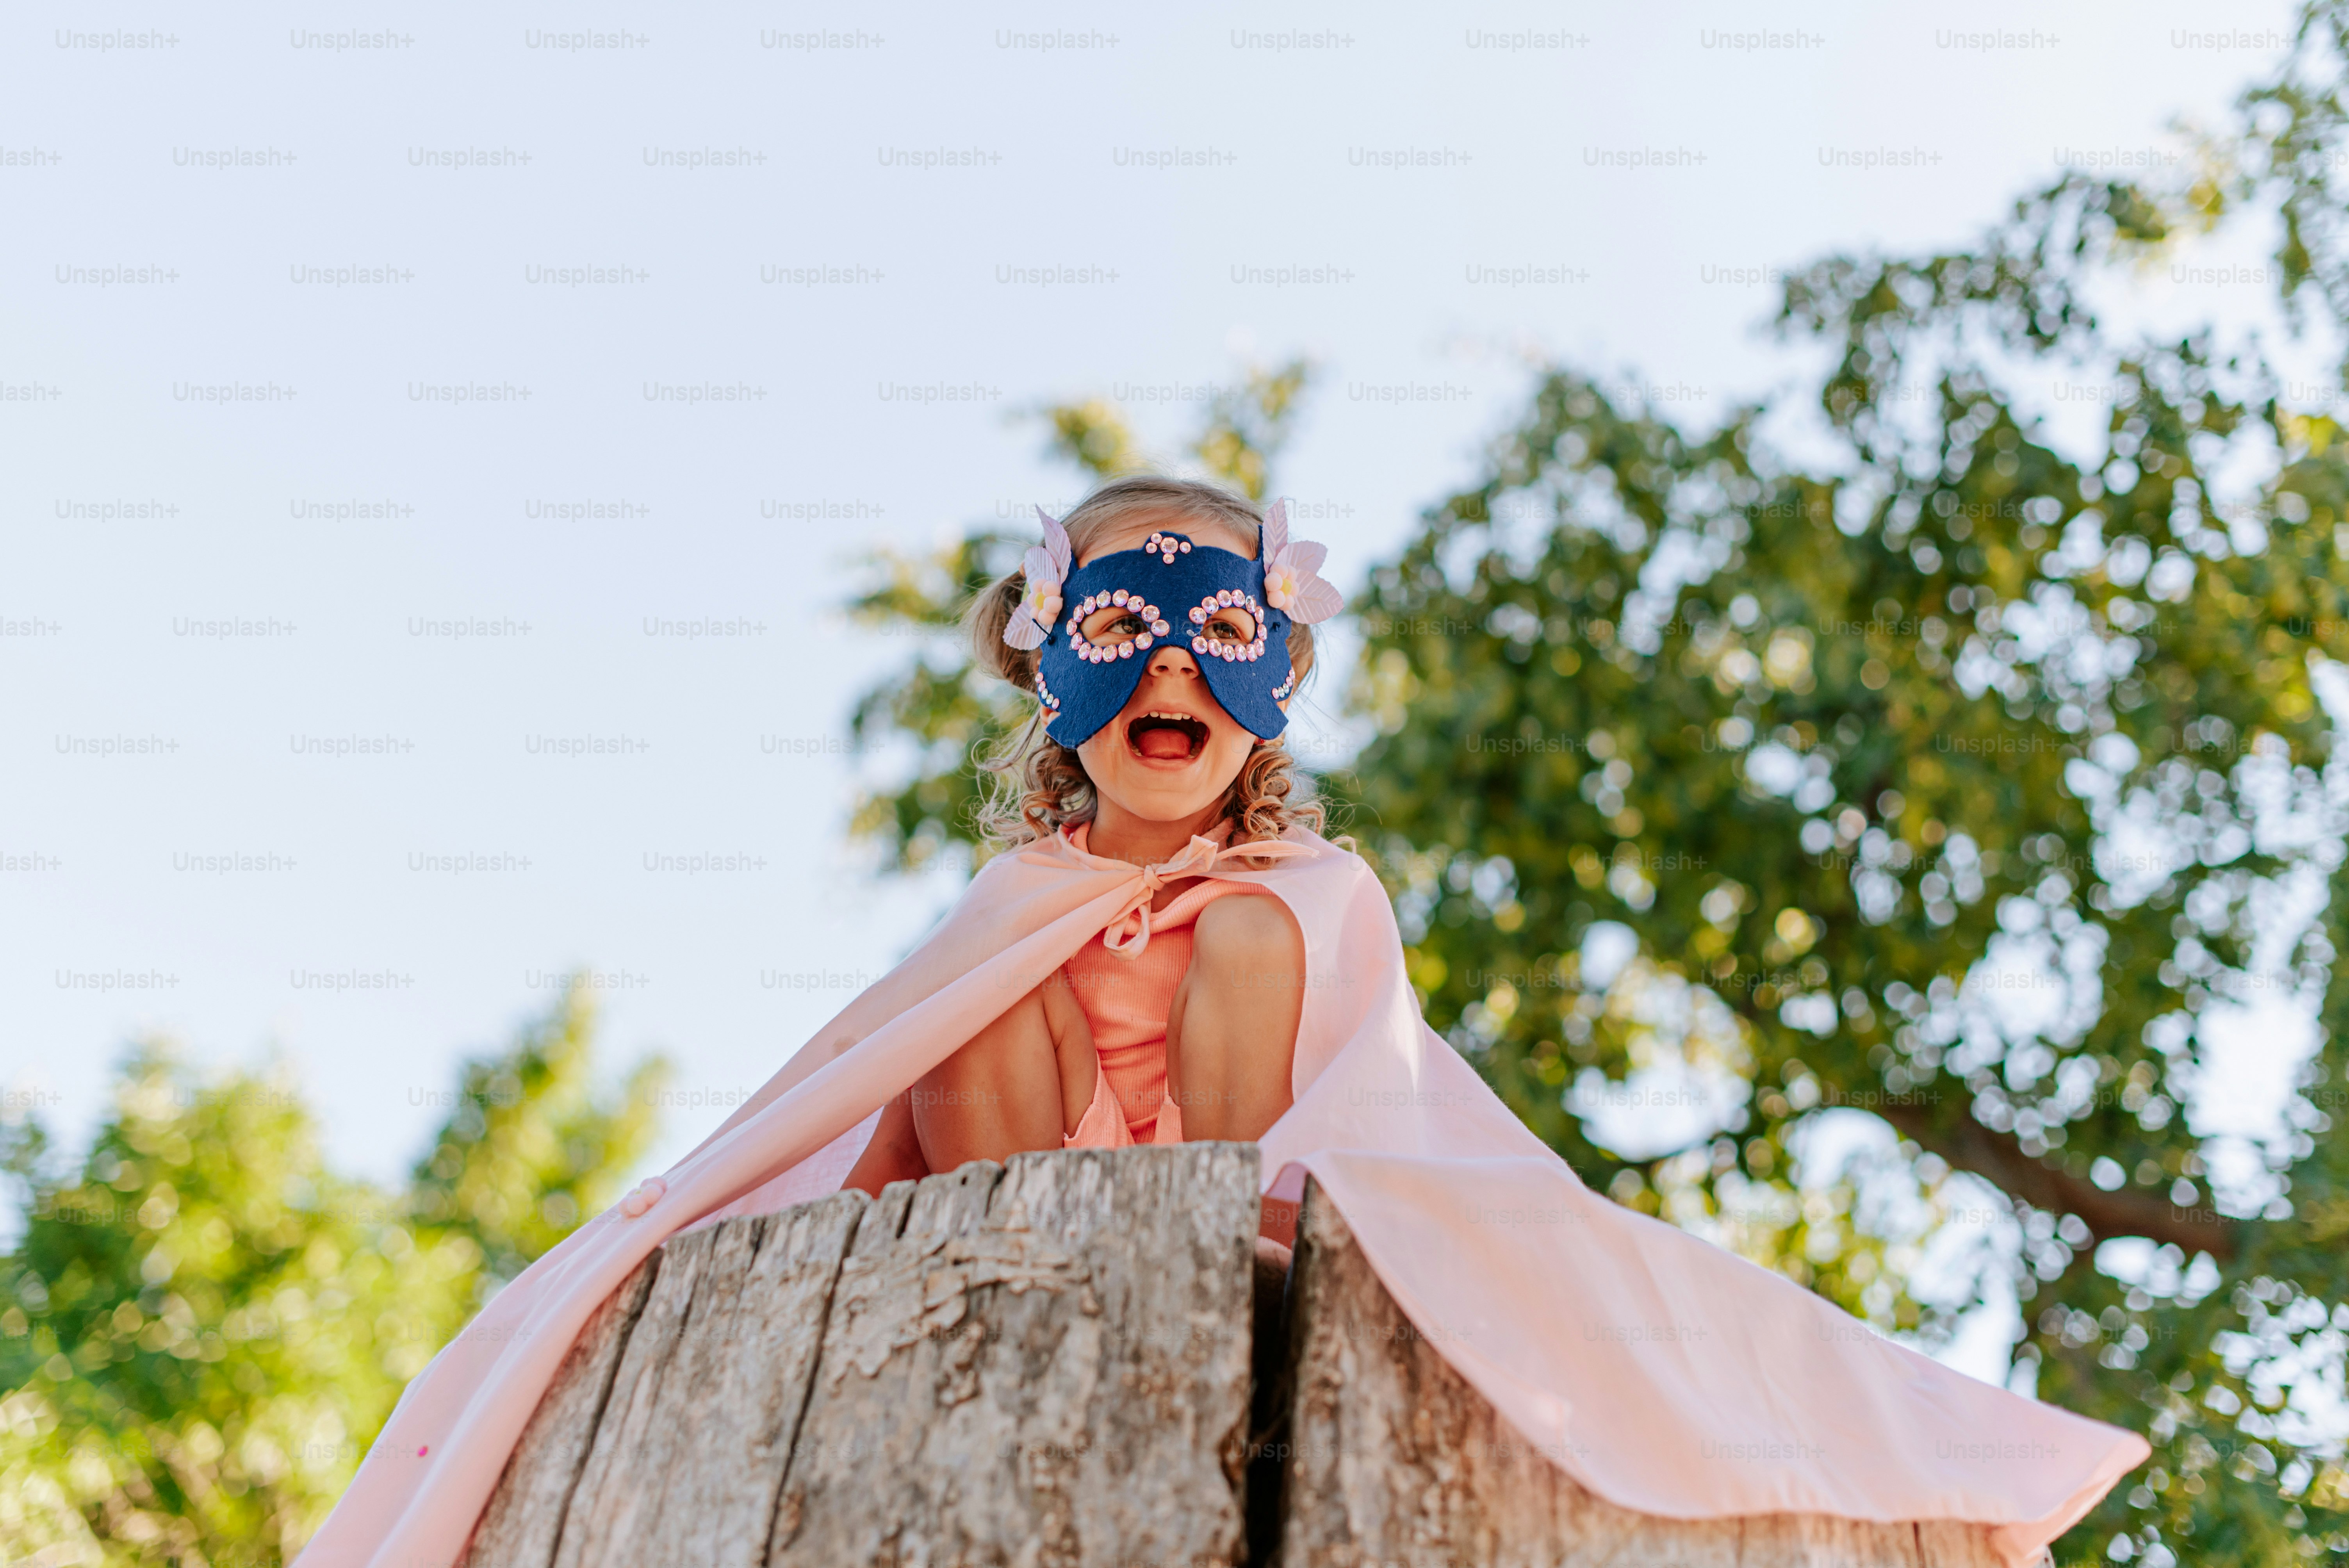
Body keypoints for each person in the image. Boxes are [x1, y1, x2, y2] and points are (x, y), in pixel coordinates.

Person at [298, 477, 2148, 1568]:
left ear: (1269, 671)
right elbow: (874, 1074)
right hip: (1007, 1206)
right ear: (1052, 668)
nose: (1171, 661)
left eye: (1210, 624)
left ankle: (1186, 1234)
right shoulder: (1002, 912)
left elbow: (1380, 1092)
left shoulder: (1310, 893)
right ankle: (1054, 1267)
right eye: (1123, 621)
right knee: (983, 975)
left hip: (1237, 1179)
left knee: (1266, 924)